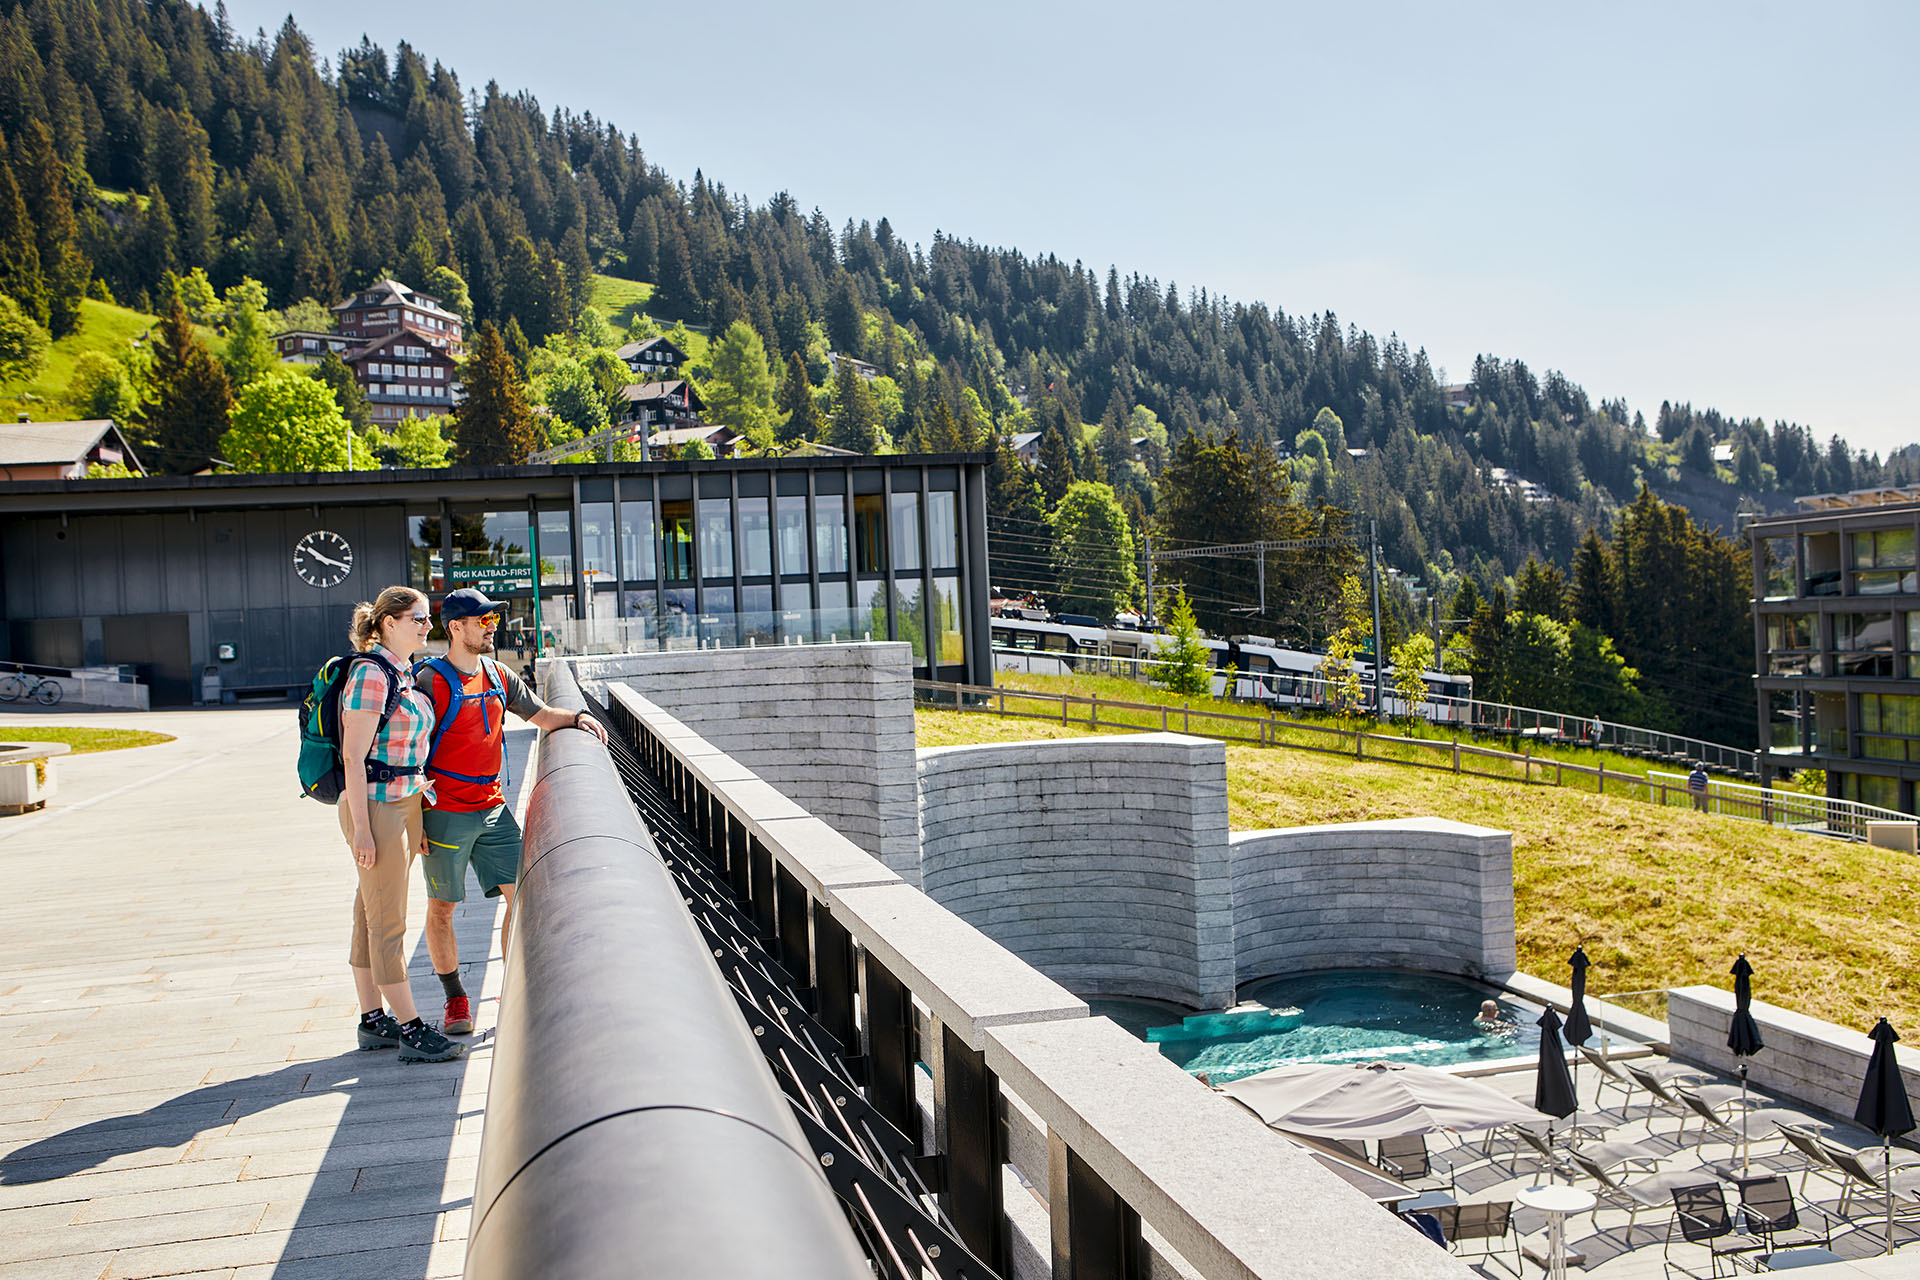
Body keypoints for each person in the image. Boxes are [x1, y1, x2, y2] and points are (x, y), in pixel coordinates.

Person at [415, 588, 608, 1034]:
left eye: (493, 620)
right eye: (482, 621)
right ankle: (455, 999)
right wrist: (412, 821)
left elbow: (541, 716)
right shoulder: (430, 681)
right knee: (442, 906)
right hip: (443, 812)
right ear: (455, 627)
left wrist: (577, 720)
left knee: (521, 900)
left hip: (493, 809)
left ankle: (513, 993)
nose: (491, 627)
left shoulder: (499, 675)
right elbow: (409, 752)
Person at [339, 586, 465, 1063]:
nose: (425, 625)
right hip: (376, 808)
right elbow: (354, 755)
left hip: (402, 805)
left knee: (369, 912)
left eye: (427, 618)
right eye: (417, 618)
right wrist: (364, 830)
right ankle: (411, 1028)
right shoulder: (372, 674)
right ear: (389, 622)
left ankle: (374, 1020)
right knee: (388, 921)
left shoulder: (402, 672)